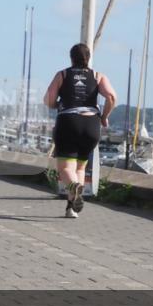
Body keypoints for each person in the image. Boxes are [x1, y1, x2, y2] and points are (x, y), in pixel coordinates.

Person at [43, 43, 116, 219]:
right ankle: (72, 209)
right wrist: (104, 116)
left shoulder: (62, 75)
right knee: (80, 168)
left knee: (65, 168)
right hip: (91, 125)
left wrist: (55, 104)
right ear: (88, 58)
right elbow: (112, 97)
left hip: (69, 122)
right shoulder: (98, 76)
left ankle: (74, 187)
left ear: (71, 58)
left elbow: (49, 99)